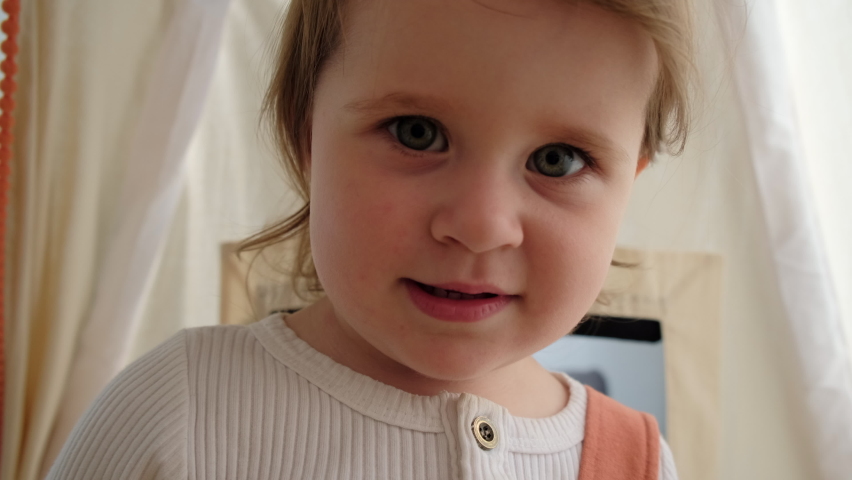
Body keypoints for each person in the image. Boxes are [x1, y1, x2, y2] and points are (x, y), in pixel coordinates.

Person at [47, 0, 694, 478]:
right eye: (417, 132)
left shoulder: (636, 462)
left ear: (628, 184)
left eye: (557, 160)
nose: (480, 225)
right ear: (307, 139)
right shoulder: (180, 412)